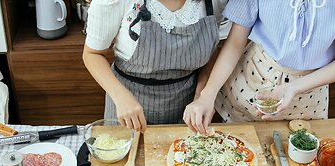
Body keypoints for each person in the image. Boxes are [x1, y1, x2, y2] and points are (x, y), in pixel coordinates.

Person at [183, 0, 335, 134]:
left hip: (309, 93)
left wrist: (292, 88)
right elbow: (235, 43)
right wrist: (207, 95)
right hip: (250, 81)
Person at [83, 0, 228, 132]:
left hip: (187, 108)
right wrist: (120, 96)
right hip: (127, 105)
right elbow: (92, 54)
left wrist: (202, 94)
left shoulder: (215, 2)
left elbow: (212, 49)